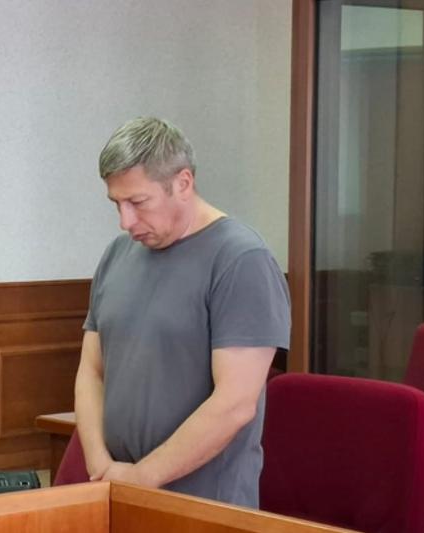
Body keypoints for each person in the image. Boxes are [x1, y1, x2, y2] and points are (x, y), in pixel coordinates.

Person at [74, 117, 290, 507]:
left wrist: (141, 477)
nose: (125, 221)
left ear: (183, 183)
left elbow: (235, 403)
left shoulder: (241, 259)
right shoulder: (117, 255)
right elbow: (91, 370)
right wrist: (100, 465)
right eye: (117, 204)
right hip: (119, 491)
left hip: (205, 504)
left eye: (138, 202)